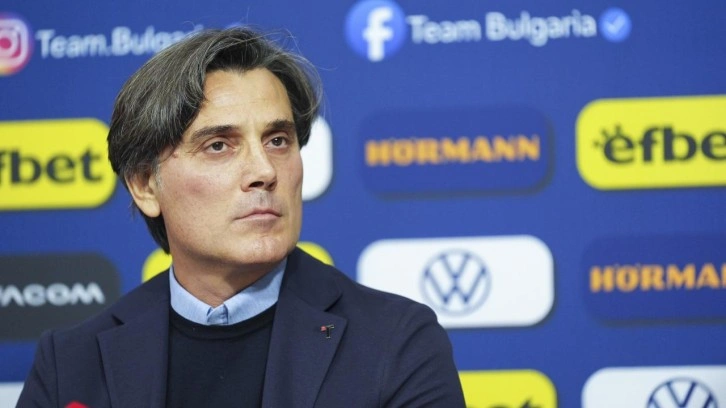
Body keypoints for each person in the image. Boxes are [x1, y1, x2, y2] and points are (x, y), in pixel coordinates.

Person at [17, 27, 465, 407]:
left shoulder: (396, 342)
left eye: (278, 140)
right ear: (145, 185)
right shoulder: (70, 363)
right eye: (219, 146)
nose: (264, 171)